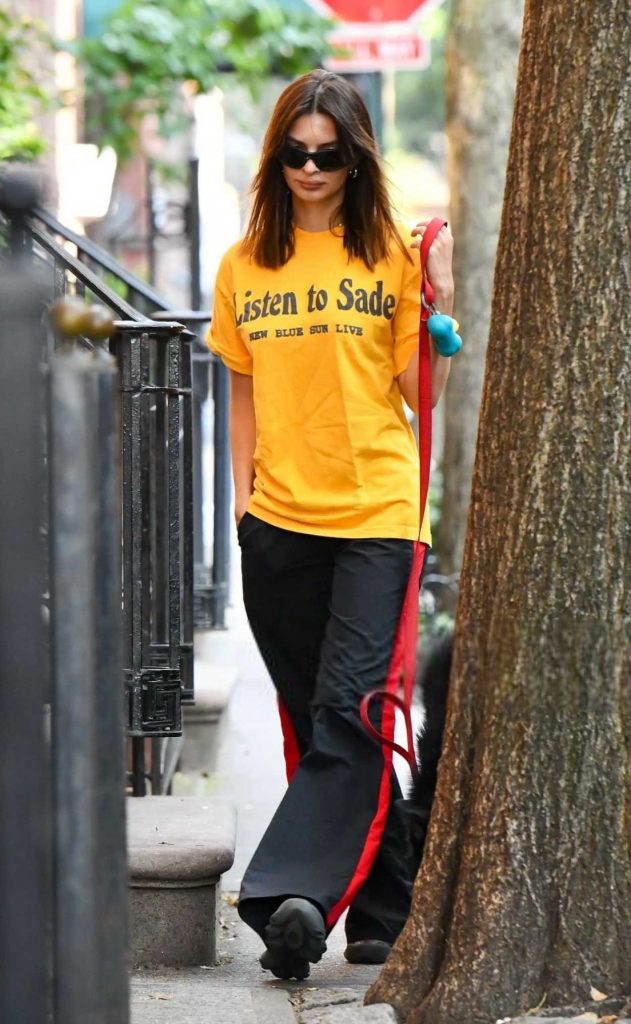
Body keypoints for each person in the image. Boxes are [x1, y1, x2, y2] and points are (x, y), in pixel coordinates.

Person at [208, 68, 456, 981]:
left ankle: (288, 899)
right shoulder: (244, 265)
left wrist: (438, 301)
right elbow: (239, 394)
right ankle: (384, 907)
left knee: (351, 709)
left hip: (376, 516)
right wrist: (242, 503)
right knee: (318, 722)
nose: (311, 168)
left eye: (330, 155)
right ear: (276, 157)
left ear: (356, 159)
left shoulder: (389, 253)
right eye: (295, 153)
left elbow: (417, 397)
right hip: (276, 521)